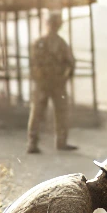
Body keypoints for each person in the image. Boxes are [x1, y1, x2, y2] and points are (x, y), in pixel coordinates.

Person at [27, 10, 76, 154]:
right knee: (39, 113)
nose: (55, 26)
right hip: (45, 84)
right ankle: (34, 143)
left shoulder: (58, 43)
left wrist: (63, 77)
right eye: (54, 23)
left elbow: (70, 63)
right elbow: (34, 64)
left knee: (57, 112)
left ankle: (58, 142)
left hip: (53, 84)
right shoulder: (44, 43)